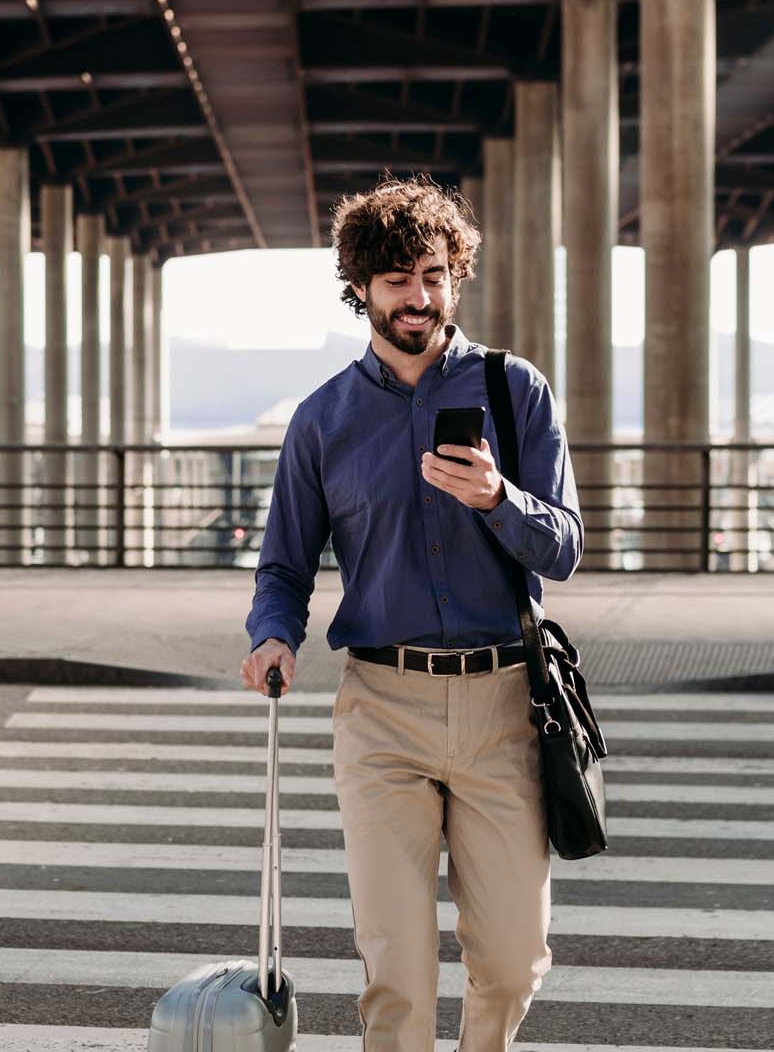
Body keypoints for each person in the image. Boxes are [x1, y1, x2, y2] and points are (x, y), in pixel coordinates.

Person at [240, 177, 583, 1050]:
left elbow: (565, 549)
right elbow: (284, 563)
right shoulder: (322, 421)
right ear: (360, 287)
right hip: (381, 708)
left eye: (433, 275)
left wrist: (500, 498)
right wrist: (272, 634)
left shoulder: (517, 392)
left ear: (456, 277)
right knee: (397, 968)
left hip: (504, 701)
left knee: (511, 959)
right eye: (396, 280)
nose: (418, 298)